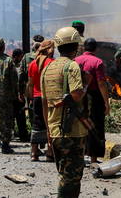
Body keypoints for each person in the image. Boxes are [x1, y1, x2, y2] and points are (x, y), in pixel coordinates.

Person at [41, 27, 87, 198]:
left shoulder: (47, 68)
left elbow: (44, 103)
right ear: (75, 46)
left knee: (64, 172)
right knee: (72, 177)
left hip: (54, 129)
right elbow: (75, 94)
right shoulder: (72, 66)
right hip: (72, 131)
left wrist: (48, 130)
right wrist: (85, 88)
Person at [76, 38, 110, 163]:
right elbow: (101, 83)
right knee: (95, 126)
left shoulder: (75, 61)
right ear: (96, 49)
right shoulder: (98, 62)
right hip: (94, 98)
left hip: (78, 97)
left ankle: (79, 155)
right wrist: (106, 102)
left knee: (79, 125)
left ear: (84, 47)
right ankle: (93, 158)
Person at [27, 40, 55, 162]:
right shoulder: (53, 63)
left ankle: (34, 153)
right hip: (50, 97)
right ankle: (50, 153)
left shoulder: (33, 64)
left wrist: (30, 98)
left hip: (37, 97)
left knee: (37, 124)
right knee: (51, 124)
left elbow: (30, 84)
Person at [12, 48, 29, 142]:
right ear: (16, 56)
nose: (22, 58)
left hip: (16, 95)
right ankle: (19, 134)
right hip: (15, 95)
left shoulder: (17, 65)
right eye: (20, 56)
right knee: (17, 116)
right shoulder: (12, 66)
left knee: (20, 116)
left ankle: (22, 135)